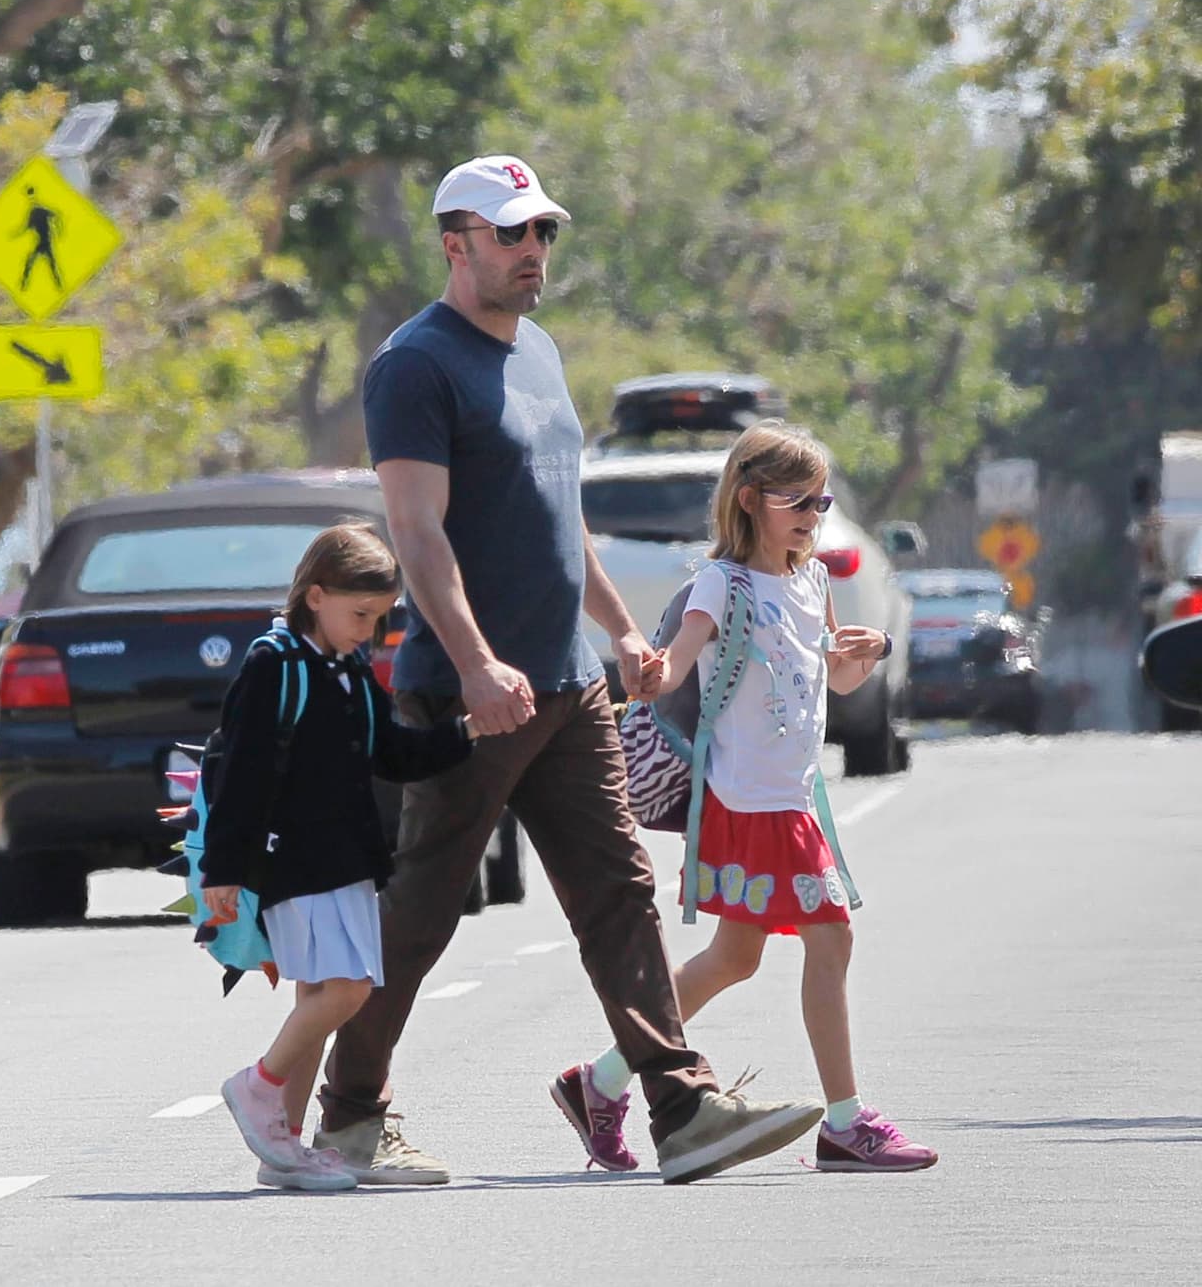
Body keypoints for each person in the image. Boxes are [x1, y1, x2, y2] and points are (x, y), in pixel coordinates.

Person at [314, 154, 824, 1186]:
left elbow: (562, 518)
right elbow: (415, 533)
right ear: (454, 242)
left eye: (542, 231)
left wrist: (626, 633)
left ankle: (680, 1105)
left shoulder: (538, 353)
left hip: (566, 682)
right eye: (510, 233)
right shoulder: (414, 366)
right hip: (470, 692)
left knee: (619, 893)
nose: (532, 250)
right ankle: (348, 1116)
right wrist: (471, 662)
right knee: (420, 911)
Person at [553, 422, 939, 1174]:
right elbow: (680, 660)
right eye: (797, 499)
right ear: (751, 499)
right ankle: (847, 1121)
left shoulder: (814, 579)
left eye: (821, 501)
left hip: (792, 799)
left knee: (734, 957)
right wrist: (647, 668)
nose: (811, 514)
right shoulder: (720, 584)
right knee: (832, 940)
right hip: (746, 802)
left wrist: (858, 658)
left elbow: (833, 680)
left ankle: (597, 1080)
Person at [202, 522, 476, 1191]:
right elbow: (241, 771)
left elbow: (393, 753)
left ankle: (283, 1150)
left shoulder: (347, 667)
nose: (369, 631)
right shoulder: (276, 663)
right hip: (298, 861)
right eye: (360, 615)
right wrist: (224, 867)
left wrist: (468, 732)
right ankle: (257, 1084)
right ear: (316, 594)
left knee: (319, 994)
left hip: (348, 858)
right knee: (348, 988)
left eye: (381, 619)